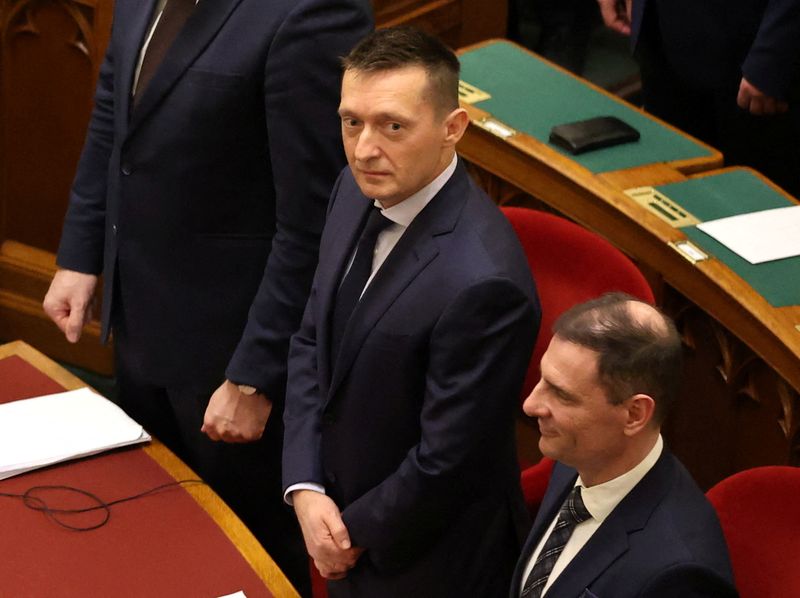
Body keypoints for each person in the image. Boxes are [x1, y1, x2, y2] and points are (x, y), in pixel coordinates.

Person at [42, 0, 373, 593]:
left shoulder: (313, 13)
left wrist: (255, 376)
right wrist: (82, 253)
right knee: (155, 527)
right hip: (141, 316)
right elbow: (114, 125)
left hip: (232, 350)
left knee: (245, 557)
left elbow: (313, 219)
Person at [281, 26, 542, 597]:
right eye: (352, 121)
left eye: (393, 126)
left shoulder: (485, 283)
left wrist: (350, 532)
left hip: (424, 561)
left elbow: (447, 461)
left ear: (453, 129)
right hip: (329, 516)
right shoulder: (354, 192)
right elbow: (310, 340)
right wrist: (303, 485)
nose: (364, 149)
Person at [510, 293, 737, 598]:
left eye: (561, 395)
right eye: (542, 379)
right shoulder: (576, 455)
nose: (530, 404)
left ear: (634, 414)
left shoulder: (679, 575)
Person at [598, 0, 800, 197]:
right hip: (659, 38)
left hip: (750, 58)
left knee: (757, 206)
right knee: (674, 198)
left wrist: (775, 51)